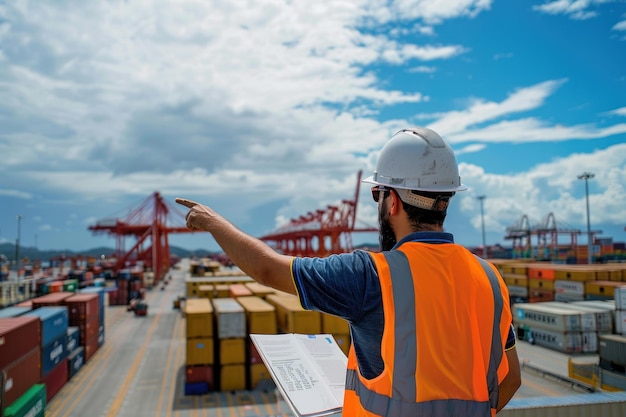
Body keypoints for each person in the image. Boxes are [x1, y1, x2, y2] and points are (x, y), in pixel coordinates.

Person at [176, 127, 521, 416]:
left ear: (393, 202)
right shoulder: (490, 278)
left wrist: (211, 222)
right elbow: (511, 379)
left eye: (377, 194)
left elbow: (268, 269)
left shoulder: (370, 274)